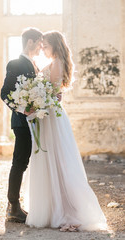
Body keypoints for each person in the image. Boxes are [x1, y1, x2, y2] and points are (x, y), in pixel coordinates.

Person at [22, 31, 108, 231]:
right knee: (51, 159)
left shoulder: (57, 62)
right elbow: (52, 91)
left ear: (54, 45)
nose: (42, 48)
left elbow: (51, 92)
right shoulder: (56, 61)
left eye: (45, 45)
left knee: (56, 160)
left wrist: (36, 101)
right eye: (41, 45)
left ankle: (61, 209)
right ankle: (52, 205)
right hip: (49, 113)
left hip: (51, 115)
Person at [0, 28, 43, 223]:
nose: (41, 47)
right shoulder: (15, 63)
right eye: (40, 43)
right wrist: (23, 108)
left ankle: (25, 204)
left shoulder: (35, 64)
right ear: (30, 42)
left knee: (29, 162)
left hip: (35, 121)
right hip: (21, 122)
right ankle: (13, 207)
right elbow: (5, 92)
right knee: (20, 162)